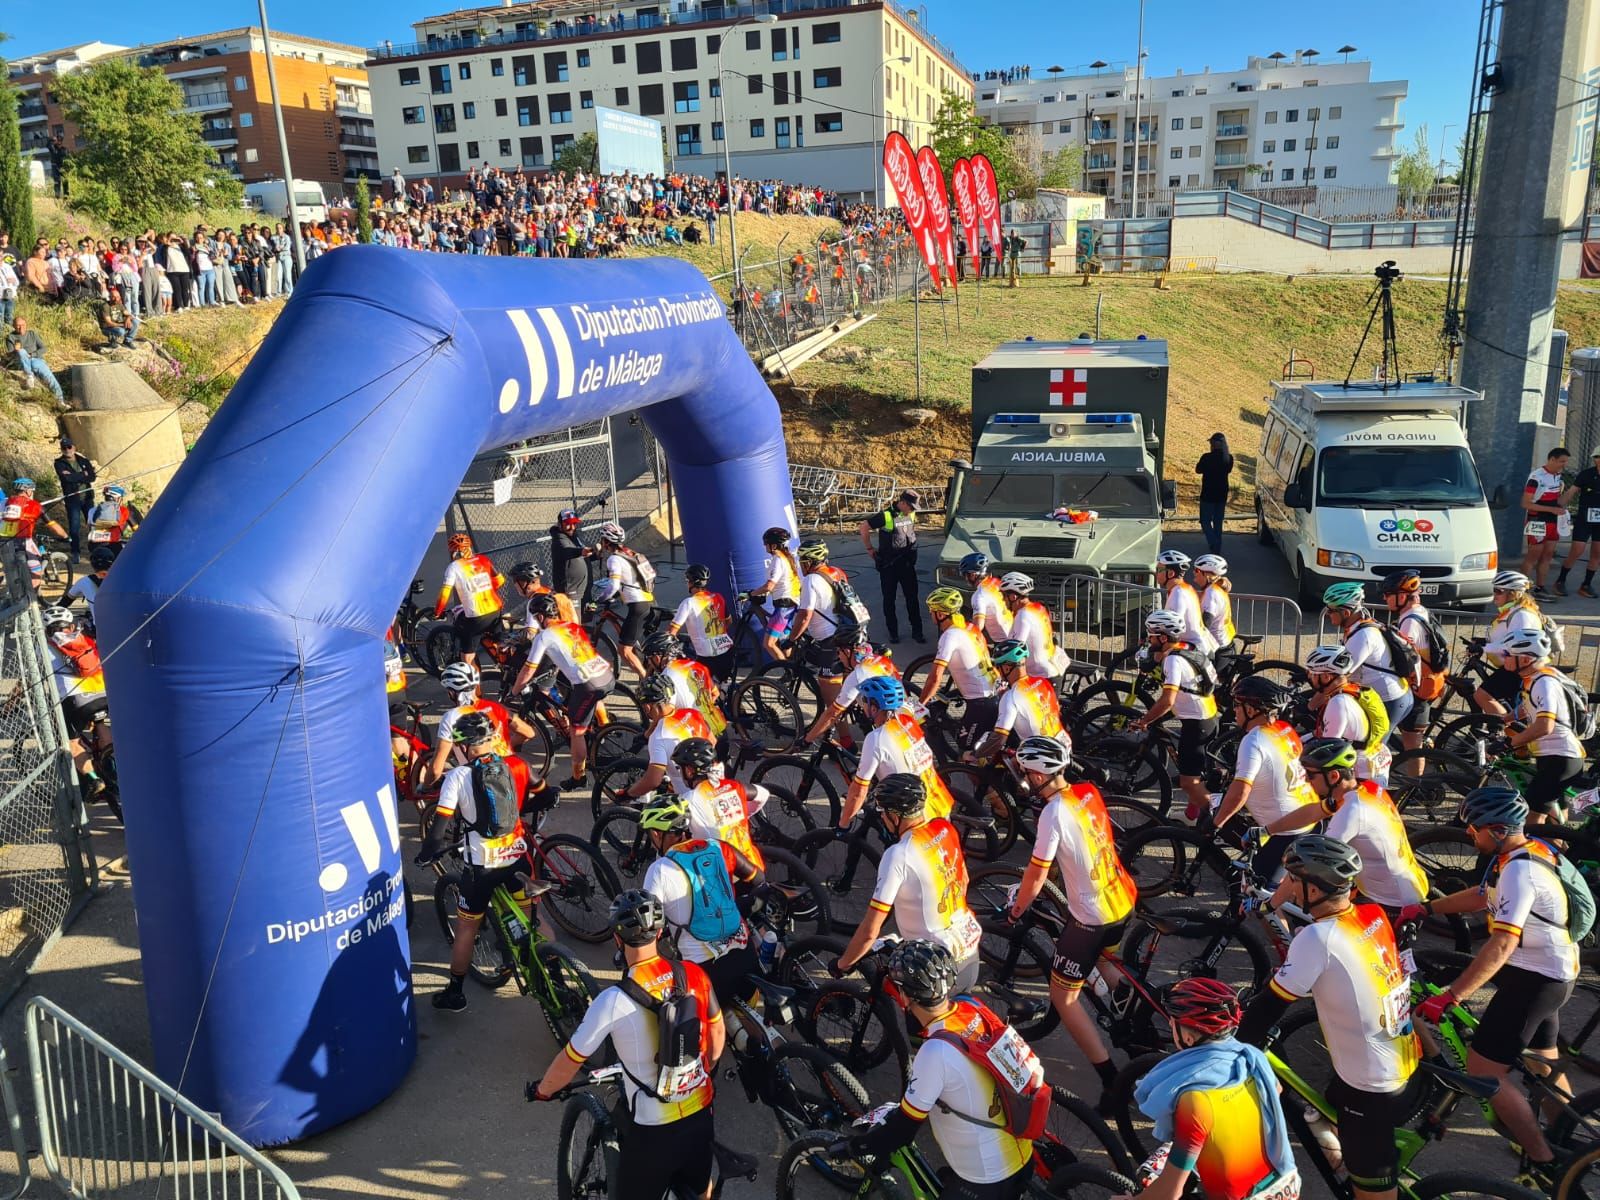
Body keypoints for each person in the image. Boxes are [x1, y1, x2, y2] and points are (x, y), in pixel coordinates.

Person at [1401, 786, 1576, 1185]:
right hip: (1551, 972)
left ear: (1497, 830)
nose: (1469, 835)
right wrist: (1426, 908)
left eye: (1474, 828)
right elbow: (1483, 897)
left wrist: (1452, 995)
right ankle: (1569, 1137)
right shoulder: (1518, 853)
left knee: (1484, 1073)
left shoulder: (1519, 870)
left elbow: (1502, 943)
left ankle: (1543, 1163)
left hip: (1536, 979)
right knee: (1540, 1059)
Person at [1238, 836, 1418, 1200]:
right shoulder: (1371, 913)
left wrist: (1231, 1044)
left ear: (1313, 889)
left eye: (1291, 879)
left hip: (1371, 1088)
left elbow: (1268, 1008)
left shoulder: (1318, 939)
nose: (1285, 885)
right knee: (1325, 1108)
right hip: (1404, 1060)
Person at [527, 891, 725, 1200]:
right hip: (701, 1112)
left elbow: (571, 1059)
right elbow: (716, 1039)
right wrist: (702, 1073)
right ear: (660, 934)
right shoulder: (693, 974)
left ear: (618, 941)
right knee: (700, 1189)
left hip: (654, 1131)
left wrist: (543, 1089)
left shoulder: (613, 1001)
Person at [846, 939, 1042, 1200]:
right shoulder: (971, 1006)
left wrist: (852, 1146)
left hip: (985, 1178)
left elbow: (903, 1131)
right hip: (1023, 1155)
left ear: (904, 997)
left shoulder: (935, 1052)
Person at [1006, 736, 1136, 1099]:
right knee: (1108, 958)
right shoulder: (1087, 792)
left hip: (1091, 916)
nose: (1025, 778)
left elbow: (1036, 874)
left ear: (1040, 774)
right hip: (1121, 898)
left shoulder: (1052, 813)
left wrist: (1017, 910)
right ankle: (1127, 1002)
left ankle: (1111, 1079)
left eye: (1027, 772)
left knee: (1063, 997)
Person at [413, 710, 543, 1012]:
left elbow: (438, 831)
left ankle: (455, 993)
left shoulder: (458, 776)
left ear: (464, 747)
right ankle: (545, 963)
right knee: (530, 920)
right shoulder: (512, 764)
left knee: (466, 930)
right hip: (518, 857)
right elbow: (541, 793)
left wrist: (426, 854)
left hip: (482, 867)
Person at [1133, 978, 1299, 1200]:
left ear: (1189, 1037)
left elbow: (1169, 1192)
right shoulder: (1252, 1059)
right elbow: (1275, 1090)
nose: (1171, 1026)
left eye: (1173, 1022)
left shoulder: (1194, 1100)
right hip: (1285, 1186)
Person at [831, 773, 982, 992]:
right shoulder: (944, 828)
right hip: (968, 947)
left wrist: (843, 964)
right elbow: (964, 879)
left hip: (936, 969)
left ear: (895, 815)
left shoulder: (898, 855)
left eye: (883, 813)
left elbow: (870, 931)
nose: (882, 818)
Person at [1269, 739, 1427, 919]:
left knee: (1311, 909)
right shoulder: (1365, 788)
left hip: (1391, 900)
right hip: (1406, 882)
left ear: (1334, 776)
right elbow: (1314, 811)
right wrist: (1268, 830)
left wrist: (1271, 904)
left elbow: (1311, 865)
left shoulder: (1352, 812)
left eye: (1311, 775)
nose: (1305, 779)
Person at [637, 792, 766, 1005]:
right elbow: (758, 879)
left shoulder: (659, 870)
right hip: (748, 958)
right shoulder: (717, 847)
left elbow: (648, 928)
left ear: (656, 834)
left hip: (707, 974)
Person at [508, 591, 615, 790]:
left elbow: (528, 668)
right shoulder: (572, 626)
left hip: (589, 684)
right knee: (584, 707)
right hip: (606, 675)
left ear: (540, 616)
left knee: (577, 732)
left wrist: (515, 690)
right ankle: (604, 730)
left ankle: (578, 778)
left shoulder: (544, 636)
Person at [1213, 676, 1315, 878]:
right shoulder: (1284, 728)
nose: (1234, 710)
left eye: (1237, 705)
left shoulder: (1254, 740)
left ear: (1250, 710)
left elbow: (1241, 791)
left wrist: (1216, 823)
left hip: (1286, 832)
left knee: (1255, 899)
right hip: (1306, 815)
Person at [1132, 610, 1219, 818]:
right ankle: (1192, 814)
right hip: (1207, 714)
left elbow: (1167, 700)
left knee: (1188, 782)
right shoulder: (1186, 647)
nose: (1148, 639)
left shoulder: (1173, 661)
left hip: (1196, 723)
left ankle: (1218, 818)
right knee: (1196, 774)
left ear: (1163, 638)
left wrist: (1144, 721)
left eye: (1151, 635)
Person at [1496, 627, 1584, 824]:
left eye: (1507, 654)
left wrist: (1509, 743)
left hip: (1560, 759)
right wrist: (1505, 719)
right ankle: (1563, 849)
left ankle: (1540, 853)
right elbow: (1529, 706)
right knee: (1554, 819)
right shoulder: (1537, 677)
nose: (1503, 658)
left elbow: (1545, 726)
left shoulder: (1544, 683)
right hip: (1554, 756)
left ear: (1526, 660)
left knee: (1532, 820)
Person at [840, 674, 955, 825]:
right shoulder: (908, 720)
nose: (863, 705)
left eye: (865, 701)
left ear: (874, 708)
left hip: (915, 819)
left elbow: (858, 792)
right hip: (940, 803)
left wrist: (842, 825)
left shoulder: (875, 738)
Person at [1322, 582, 1412, 735]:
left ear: (1346, 613)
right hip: (1391, 695)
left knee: (1369, 753)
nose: (1327, 613)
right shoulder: (1357, 625)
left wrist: (1310, 705)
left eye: (1331, 610)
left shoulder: (1363, 636)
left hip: (1388, 700)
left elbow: (1341, 677)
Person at [40, 605, 112, 797]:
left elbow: (28, 683)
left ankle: (93, 779)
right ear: (71, 626)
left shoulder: (43, 648)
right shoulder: (85, 638)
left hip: (76, 700)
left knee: (71, 741)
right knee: (100, 723)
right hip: (104, 693)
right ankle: (113, 763)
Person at [919, 586, 1000, 750]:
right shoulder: (971, 627)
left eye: (931, 610)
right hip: (995, 691)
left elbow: (935, 678)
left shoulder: (949, 636)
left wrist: (919, 706)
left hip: (981, 702)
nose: (930, 614)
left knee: (967, 753)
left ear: (940, 614)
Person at [791, 538, 865, 707]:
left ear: (810, 561)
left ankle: (842, 734)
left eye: (802, 561)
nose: (801, 566)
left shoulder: (810, 580)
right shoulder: (837, 572)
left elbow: (804, 616)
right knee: (849, 692)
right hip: (850, 633)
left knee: (832, 704)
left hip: (831, 641)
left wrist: (792, 639)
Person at [1302, 645, 1391, 786]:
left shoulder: (1338, 703)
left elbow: (1328, 749)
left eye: (1312, 673)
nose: (1309, 678)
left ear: (1326, 676)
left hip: (1362, 771)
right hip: (1374, 757)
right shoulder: (1352, 689)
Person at [673, 737, 766, 868]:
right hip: (752, 863)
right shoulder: (733, 786)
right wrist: (744, 814)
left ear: (689, 771)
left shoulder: (686, 801)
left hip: (722, 873)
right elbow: (764, 794)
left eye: (680, 768)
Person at [972, 639, 1070, 762]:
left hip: (1044, 758)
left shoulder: (1010, 697)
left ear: (1006, 668)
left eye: (998, 667)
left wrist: (975, 755)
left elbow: (998, 740)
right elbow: (1057, 711)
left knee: (1007, 768)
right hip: (1063, 745)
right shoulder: (1043, 681)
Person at [1379, 570, 1437, 767]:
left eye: (1387, 595)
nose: (1384, 598)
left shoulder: (1410, 623)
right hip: (1429, 681)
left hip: (1417, 688)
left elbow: (1402, 659)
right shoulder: (1421, 611)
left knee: (1412, 745)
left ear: (1402, 596)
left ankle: (1417, 789)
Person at [623, 674, 714, 800]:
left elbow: (653, 781)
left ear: (647, 706)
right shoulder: (692, 713)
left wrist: (629, 793)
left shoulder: (659, 737)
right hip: (714, 783)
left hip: (689, 797)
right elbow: (713, 741)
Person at [1474, 570, 1547, 720]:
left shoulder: (1522, 615)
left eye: (1499, 591)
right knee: (1512, 706)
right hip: (1512, 665)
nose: (1494, 594)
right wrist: (1485, 642)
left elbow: (1517, 644)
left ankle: (1507, 730)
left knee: (1482, 695)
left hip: (1520, 666)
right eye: (1494, 590)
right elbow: (1507, 638)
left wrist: (1484, 648)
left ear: (1514, 594)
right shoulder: (1513, 611)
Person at [860, 489, 924, 645]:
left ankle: (917, 631)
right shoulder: (886, 515)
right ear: (902, 503)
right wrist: (870, 548)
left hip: (907, 564)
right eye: (911, 506)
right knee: (889, 600)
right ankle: (893, 633)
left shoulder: (911, 513)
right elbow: (863, 527)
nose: (913, 510)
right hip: (889, 566)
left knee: (912, 599)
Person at [592, 520, 655, 680]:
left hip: (637, 606)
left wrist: (600, 599)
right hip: (650, 600)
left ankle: (647, 684)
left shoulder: (613, 559)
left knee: (624, 650)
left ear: (606, 542)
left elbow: (613, 586)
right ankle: (651, 668)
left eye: (602, 540)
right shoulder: (633, 554)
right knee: (646, 645)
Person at [433, 533, 506, 668]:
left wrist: (437, 612)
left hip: (476, 617)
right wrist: (484, 589)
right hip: (496, 609)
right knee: (499, 643)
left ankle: (472, 682)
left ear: (454, 552)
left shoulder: (454, 567)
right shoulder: (483, 559)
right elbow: (500, 580)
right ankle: (506, 667)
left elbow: (444, 594)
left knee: (467, 656)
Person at [643, 632, 726, 739]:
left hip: (699, 736)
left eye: (650, 658)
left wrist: (648, 734)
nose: (649, 663)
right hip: (719, 727)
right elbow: (715, 693)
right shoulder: (695, 665)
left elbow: (664, 714)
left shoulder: (665, 678)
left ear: (657, 657)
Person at [668, 563, 734, 680]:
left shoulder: (689, 603)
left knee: (700, 689)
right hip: (727, 649)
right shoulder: (718, 597)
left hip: (706, 655)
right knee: (723, 688)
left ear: (691, 582)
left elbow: (672, 632)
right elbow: (728, 622)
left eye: (687, 580)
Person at [998, 572, 1067, 682]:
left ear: (1013, 596)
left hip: (1041, 675)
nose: (1002, 600)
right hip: (1051, 669)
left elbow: (1015, 650)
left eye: (1003, 596)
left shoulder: (1023, 615)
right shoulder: (1038, 607)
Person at [1521, 446, 1570, 597]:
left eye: (1566, 462)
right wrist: (1551, 510)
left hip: (1553, 522)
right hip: (1537, 521)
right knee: (1533, 556)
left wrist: (1561, 509)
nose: (1564, 465)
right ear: (1552, 459)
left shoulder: (1557, 476)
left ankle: (1540, 587)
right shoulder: (1536, 477)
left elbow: (1555, 500)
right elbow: (1525, 504)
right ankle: (1521, 589)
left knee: (1548, 555)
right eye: (1562, 461)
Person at [1155, 550, 1216, 654]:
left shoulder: (1178, 593)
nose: (1156, 573)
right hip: (1195, 643)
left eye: (1159, 569)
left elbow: (1173, 627)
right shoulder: (1181, 588)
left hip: (1195, 647)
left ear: (1170, 573)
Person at [52, 438, 96, 560]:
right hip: (72, 499)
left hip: (87, 497)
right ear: (61, 449)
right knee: (74, 527)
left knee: (93, 524)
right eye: (64, 448)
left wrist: (75, 476)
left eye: (69, 447)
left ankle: (96, 549)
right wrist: (83, 475)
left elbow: (92, 477)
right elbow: (66, 479)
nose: (67, 450)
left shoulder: (83, 460)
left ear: (74, 447)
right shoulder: (59, 463)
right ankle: (75, 552)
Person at [1194, 434, 1234, 555]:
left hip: (1208, 494)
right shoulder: (1228, 458)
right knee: (1218, 522)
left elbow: (1198, 470)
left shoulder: (1207, 457)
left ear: (1215, 444)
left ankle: (1214, 542)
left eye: (1211, 443)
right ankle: (1217, 549)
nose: (1210, 445)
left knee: (1205, 521)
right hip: (1222, 494)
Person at [7, 317, 64, 401]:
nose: (21, 327)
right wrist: (15, 351)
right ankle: (29, 375)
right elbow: (9, 355)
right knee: (21, 351)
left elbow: (44, 348)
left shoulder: (32, 334)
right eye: (18, 325)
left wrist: (32, 354)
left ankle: (60, 400)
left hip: (36, 359)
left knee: (49, 377)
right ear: (14, 326)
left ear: (26, 325)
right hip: (21, 361)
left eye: (22, 325)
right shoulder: (10, 337)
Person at [549, 508, 593, 612]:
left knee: (589, 612)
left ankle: (588, 624)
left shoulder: (574, 536)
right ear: (560, 524)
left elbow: (582, 554)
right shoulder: (559, 539)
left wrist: (595, 555)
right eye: (568, 524)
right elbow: (567, 551)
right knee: (574, 621)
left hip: (583, 588)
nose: (572, 527)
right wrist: (581, 551)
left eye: (574, 523)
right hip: (571, 590)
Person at [1193, 554, 1235, 662]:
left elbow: (1206, 623)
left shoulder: (1211, 593)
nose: (1194, 573)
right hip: (1224, 643)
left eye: (1196, 570)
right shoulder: (1215, 588)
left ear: (1206, 575)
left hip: (1217, 648)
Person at [960, 553, 1010, 642]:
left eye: (965, 575)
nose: (965, 578)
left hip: (1004, 642)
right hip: (1013, 633)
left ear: (972, 575)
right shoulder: (997, 583)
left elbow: (978, 626)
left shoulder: (979, 596)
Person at [66, 545, 118, 628]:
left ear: (92, 564)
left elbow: (65, 602)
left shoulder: (83, 581)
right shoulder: (123, 580)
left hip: (100, 631)